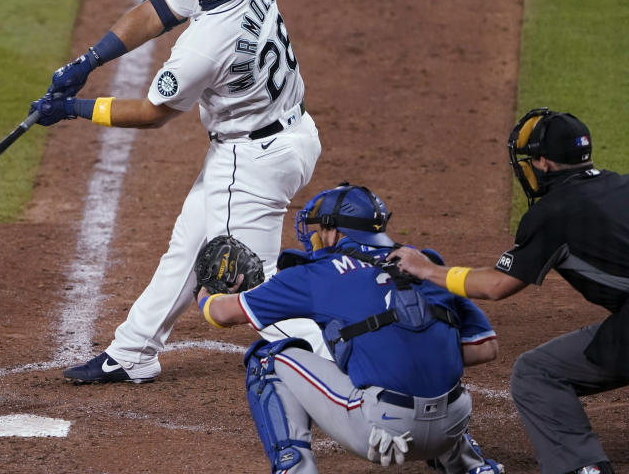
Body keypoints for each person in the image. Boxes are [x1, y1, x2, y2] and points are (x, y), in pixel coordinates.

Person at [30, 0, 324, 383]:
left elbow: (153, 113)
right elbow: (157, 11)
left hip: (249, 163)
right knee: (189, 247)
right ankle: (134, 352)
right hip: (289, 132)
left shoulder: (205, 46)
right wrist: (89, 60)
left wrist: (73, 110)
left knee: (255, 283)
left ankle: (345, 371)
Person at [196, 183, 503, 474]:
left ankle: (294, 468)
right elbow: (483, 347)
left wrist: (205, 295)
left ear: (335, 231)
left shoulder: (317, 274)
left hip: (382, 428)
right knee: (404, 353)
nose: (317, 236)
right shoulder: (425, 263)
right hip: (451, 427)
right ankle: (471, 464)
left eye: (321, 229)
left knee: (268, 362)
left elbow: (223, 313)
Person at [392, 108, 629, 474]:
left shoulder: (552, 213)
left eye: (531, 160)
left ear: (544, 163)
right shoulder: (620, 184)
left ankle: (582, 468)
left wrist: (427, 270)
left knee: (537, 373)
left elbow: (496, 285)